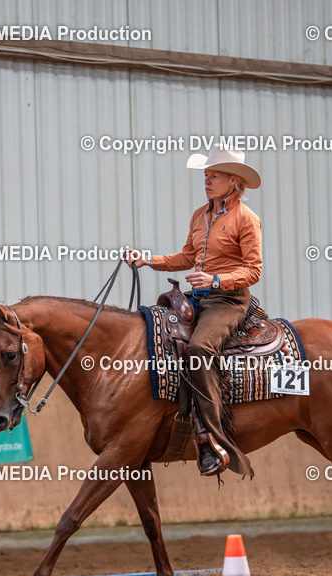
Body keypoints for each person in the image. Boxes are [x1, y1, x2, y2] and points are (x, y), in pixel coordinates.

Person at [129, 145, 262, 476]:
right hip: (199, 296)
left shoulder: (246, 219)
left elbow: (253, 270)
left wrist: (216, 279)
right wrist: (149, 259)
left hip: (229, 300)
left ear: (233, 181)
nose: (206, 180)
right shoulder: (200, 215)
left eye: (213, 175)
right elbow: (186, 257)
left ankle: (215, 441)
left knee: (201, 348)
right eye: (205, 175)